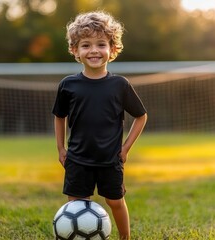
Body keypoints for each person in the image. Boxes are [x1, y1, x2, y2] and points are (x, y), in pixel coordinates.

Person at [52, 11, 147, 240]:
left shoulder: (119, 85)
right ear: (75, 50)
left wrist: (125, 149)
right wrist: (61, 148)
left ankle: (125, 238)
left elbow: (141, 116)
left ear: (112, 50)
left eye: (101, 44)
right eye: (86, 45)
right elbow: (59, 116)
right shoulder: (68, 85)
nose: (94, 50)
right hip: (78, 158)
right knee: (76, 205)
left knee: (115, 201)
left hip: (109, 159)